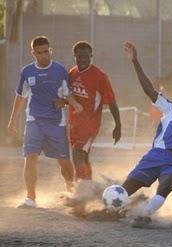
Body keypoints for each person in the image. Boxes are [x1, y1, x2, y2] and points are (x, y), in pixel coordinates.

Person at [122, 41, 172, 226]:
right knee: (125, 189)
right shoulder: (171, 108)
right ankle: (106, 208)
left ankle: (144, 215)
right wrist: (135, 61)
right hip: (156, 155)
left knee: (165, 186)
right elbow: (149, 90)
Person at [7, 35, 83, 208]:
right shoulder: (26, 72)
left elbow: (68, 93)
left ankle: (71, 192)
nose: (44, 55)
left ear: (51, 51)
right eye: (39, 52)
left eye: (46, 51)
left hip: (57, 124)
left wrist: (74, 103)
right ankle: (31, 198)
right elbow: (20, 97)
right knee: (30, 158)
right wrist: (13, 121)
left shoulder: (60, 70)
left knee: (64, 162)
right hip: (34, 121)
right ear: (33, 53)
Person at [67, 41, 121, 180]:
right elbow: (68, 96)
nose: (83, 60)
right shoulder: (71, 73)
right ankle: (88, 186)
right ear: (75, 56)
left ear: (91, 56)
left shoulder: (100, 76)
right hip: (74, 124)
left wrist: (118, 125)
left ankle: (80, 191)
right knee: (83, 156)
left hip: (90, 125)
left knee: (77, 154)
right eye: (80, 57)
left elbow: (113, 102)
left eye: (86, 57)